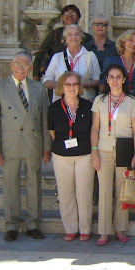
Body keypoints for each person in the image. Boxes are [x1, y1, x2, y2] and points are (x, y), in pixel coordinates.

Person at [0, 52, 51, 241]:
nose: (21, 67)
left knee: (34, 183)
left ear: (31, 67)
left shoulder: (39, 88)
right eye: (18, 63)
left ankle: (33, 224)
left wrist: (47, 147)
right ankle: (12, 224)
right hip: (9, 144)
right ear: (11, 65)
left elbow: (45, 120)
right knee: (10, 183)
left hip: (33, 142)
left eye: (26, 64)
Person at [90, 64, 135, 246]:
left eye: (118, 76)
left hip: (124, 148)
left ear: (124, 79)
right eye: (111, 77)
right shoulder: (100, 101)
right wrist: (94, 152)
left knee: (122, 190)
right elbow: (95, 128)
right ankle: (104, 231)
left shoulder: (132, 101)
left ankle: (120, 227)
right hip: (103, 149)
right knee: (104, 190)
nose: (115, 80)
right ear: (107, 79)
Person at [48, 72, 95, 241]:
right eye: (68, 84)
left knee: (84, 192)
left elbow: (92, 130)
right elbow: (52, 132)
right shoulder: (53, 108)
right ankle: (70, 227)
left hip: (84, 155)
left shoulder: (88, 106)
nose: (72, 88)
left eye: (75, 84)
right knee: (66, 192)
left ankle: (85, 228)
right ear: (62, 87)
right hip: (61, 155)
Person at [42, 24, 101, 102]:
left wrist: (84, 85)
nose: (73, 37)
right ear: (65, 39)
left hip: (85, 101)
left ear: (81, 37)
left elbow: (98, 79)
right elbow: (47, 81)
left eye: (77, 34)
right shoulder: (57, 57)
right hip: (61, 102)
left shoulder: (90, 56)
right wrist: (64, 86)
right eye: (70, 34)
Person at [33, 5, 92, 79]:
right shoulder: (55, 34)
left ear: (79, 17)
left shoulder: (87, 37)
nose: (70, 16)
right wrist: (36, 76)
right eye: (67, 13)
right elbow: (41, 53)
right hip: (56, 77)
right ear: (62, 17)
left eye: (73, 13)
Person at [101, 29, 135, 99]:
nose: (133, 44)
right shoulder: (111, 61)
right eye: (130, 40)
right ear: (123, 42)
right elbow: (103, 85)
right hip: (115, 103)